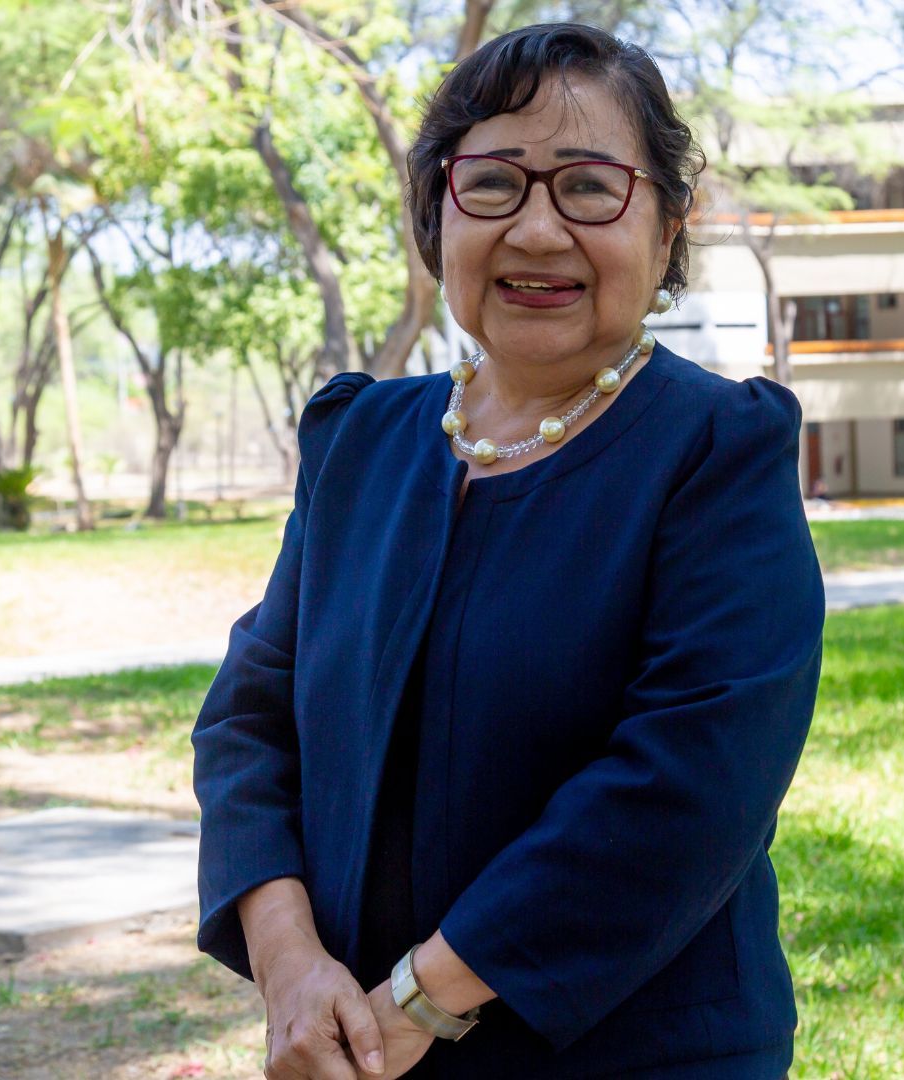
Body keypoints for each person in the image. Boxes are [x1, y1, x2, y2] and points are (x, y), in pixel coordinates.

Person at [192, 24, 824, 1080]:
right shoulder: (359, 441)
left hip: (638, 1056)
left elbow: (692, 784)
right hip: (351, 1046)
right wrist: (291, 966)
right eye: (491, 183)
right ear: (438, 215)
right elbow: (250, 723)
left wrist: (421, 1001)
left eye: (589, 188)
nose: (536, 229)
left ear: (667, 227)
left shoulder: (716, 449)